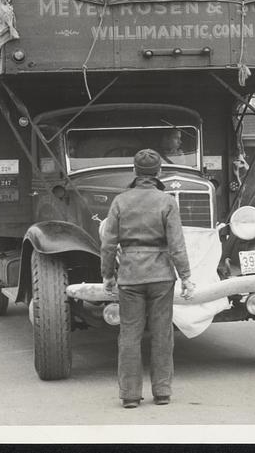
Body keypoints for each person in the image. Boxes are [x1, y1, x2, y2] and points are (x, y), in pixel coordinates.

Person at [100, 149, 195, 408]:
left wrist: (108, 275)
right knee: (162, 334)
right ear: (159, 173)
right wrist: (186, 277)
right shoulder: (166, 202)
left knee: (129, 334)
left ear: (134, 171)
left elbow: (108, 244)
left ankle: (130, 395)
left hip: (130, 276)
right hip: (162, 276)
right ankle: (162, 391)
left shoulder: (120, 201)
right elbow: (177, 244)